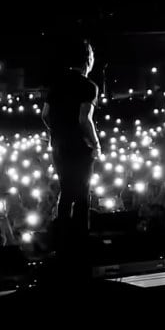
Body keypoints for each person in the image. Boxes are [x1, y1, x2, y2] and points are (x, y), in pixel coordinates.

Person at [42, 39, 101, 271]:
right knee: (83, 193)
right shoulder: (88, 86)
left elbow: (45, 115)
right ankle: (80, 241)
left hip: (58, 145)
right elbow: (84, 119)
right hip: (80, 146)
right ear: (88, 59)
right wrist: (95, 143)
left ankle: (61, 240)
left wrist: (56, 132)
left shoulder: (56, 84)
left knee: (66, 191)